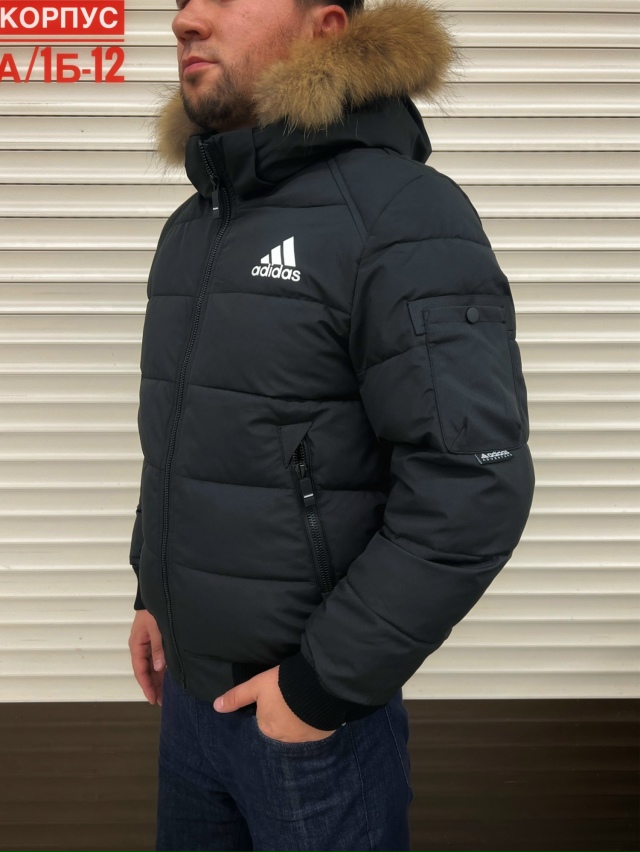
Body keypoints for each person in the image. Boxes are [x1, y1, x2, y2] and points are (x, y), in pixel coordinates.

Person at [127, 0, 536, 848]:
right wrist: (151, 593)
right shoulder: (194, 225)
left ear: (327, 27)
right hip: (190, 705)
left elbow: (472, 482)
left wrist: (319, 689)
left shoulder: (402, 214)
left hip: (312, 729)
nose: (185, 20)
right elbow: (192, 442)